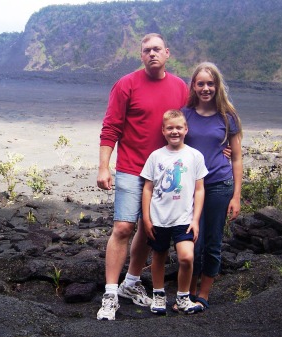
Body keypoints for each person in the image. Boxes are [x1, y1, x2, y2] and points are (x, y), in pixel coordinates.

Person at [96, 33, 188, 320]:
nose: (152, 54)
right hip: (131, 169)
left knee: (149, 230)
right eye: (147, 50)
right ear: (141, 55)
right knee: (123, 227)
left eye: (157, 49)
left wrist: (221, 150)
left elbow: (188, 126)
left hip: (165, 173)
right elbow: (111, 127)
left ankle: (131, 284)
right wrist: (103, 166)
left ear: (167, 53)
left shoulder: (180, 87)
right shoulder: (126, 85)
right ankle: (110, 294)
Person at [182, 61, 243, 309]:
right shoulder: (184, 114)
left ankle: (204, 294)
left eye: (210, 83)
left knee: (213, 241)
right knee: (191, 242)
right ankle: (187, 291)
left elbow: (237, 158)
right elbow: (173, 144)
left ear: (217, 86)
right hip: (189, 188)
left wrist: (237, 195)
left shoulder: (228, 117)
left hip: (219, 185)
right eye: (201, 84)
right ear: (194, 86)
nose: (205, 88)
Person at [141, 109, 207, 315]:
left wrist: (196, 220)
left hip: (184, 218)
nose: (174, 131)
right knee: (158, 256)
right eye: (170, 128)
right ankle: (159, 296)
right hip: (159, 218)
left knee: (186, 257)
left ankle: (183, 297)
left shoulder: (195, 156)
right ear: (163, 130)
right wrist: (146, 218)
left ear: (186, 129)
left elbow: (199, 189)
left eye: (179, 127)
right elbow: (148, 188)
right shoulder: (156, 156)